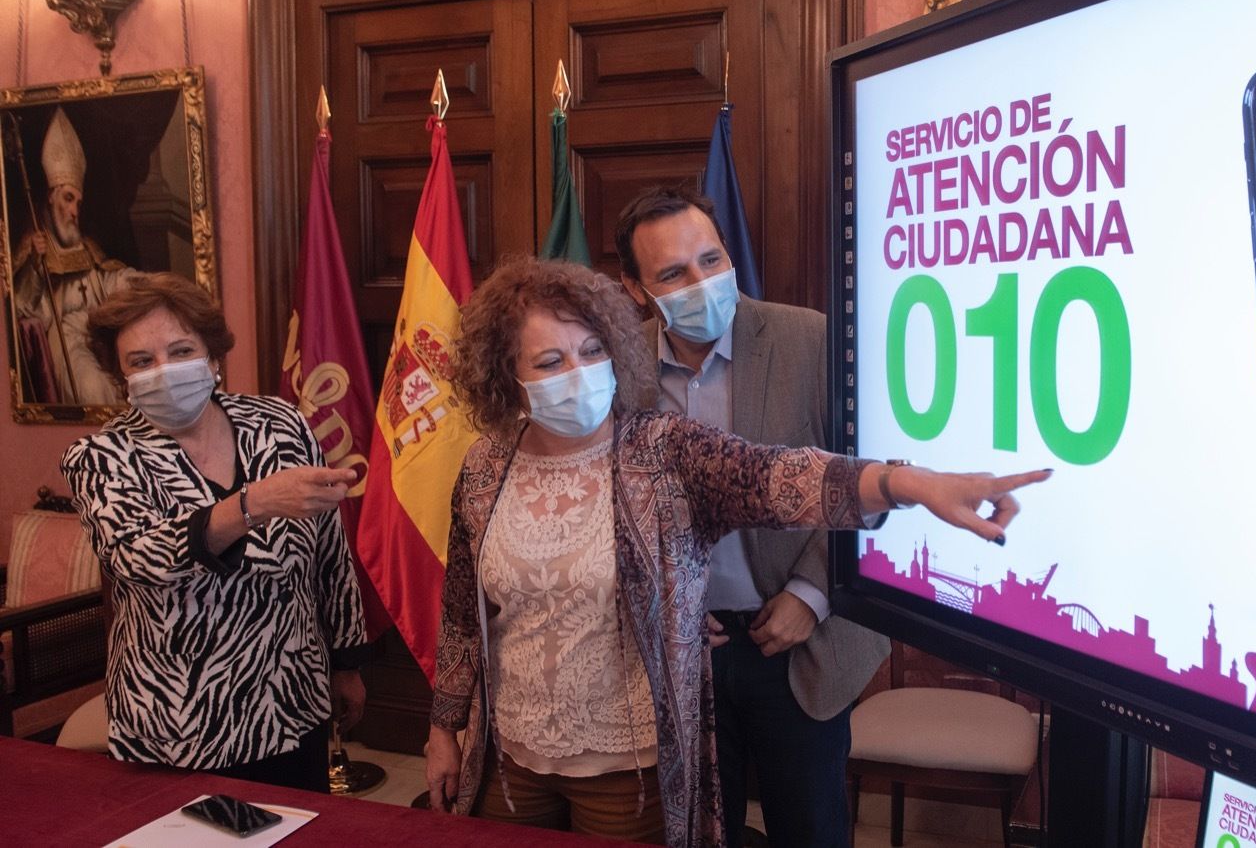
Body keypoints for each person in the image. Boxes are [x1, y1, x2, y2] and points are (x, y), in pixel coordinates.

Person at [424, 256, 1048, 847]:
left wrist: (907, 483)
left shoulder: (664, 452)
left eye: (591, 352)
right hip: (509, 760)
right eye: (550, 361)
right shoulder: (486, 469)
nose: (578, 374)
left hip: (629, 769)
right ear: (507, 376)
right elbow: (461, 611)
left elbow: (783, 478)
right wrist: (443, 729)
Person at [613, 185, 882, 846]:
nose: (699, 282)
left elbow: (869, 477)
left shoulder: (813, 339)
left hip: (801, 643)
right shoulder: (618, 373)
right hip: (685, 654)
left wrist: (812, 594)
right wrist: (663, 598)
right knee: (703, 835)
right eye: (673, 274)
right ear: (635, 288)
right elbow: (608, 503)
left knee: (810, 830)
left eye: (711, 259)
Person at [60, 273, 370, 792]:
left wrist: (347, 662)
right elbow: (139, 560)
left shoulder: (280, 423)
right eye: (141, 361)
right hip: (177, 722)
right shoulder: (100, 458)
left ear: (212, 356)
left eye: (181, 350)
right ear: (121, 376)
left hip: (293, 702)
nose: (164, 371)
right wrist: (253, 504)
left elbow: (329, 553)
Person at [11, 107, 139, 405]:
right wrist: (33, 267)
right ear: (50, 197)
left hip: (103, 336)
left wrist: (134, 281)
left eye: (78, 203)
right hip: (67, 344)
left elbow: (107, 281)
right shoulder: (35, 250)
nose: (74, 212)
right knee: (95, 392)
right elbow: (24, 311)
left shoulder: (87, 247)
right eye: (68, 199)